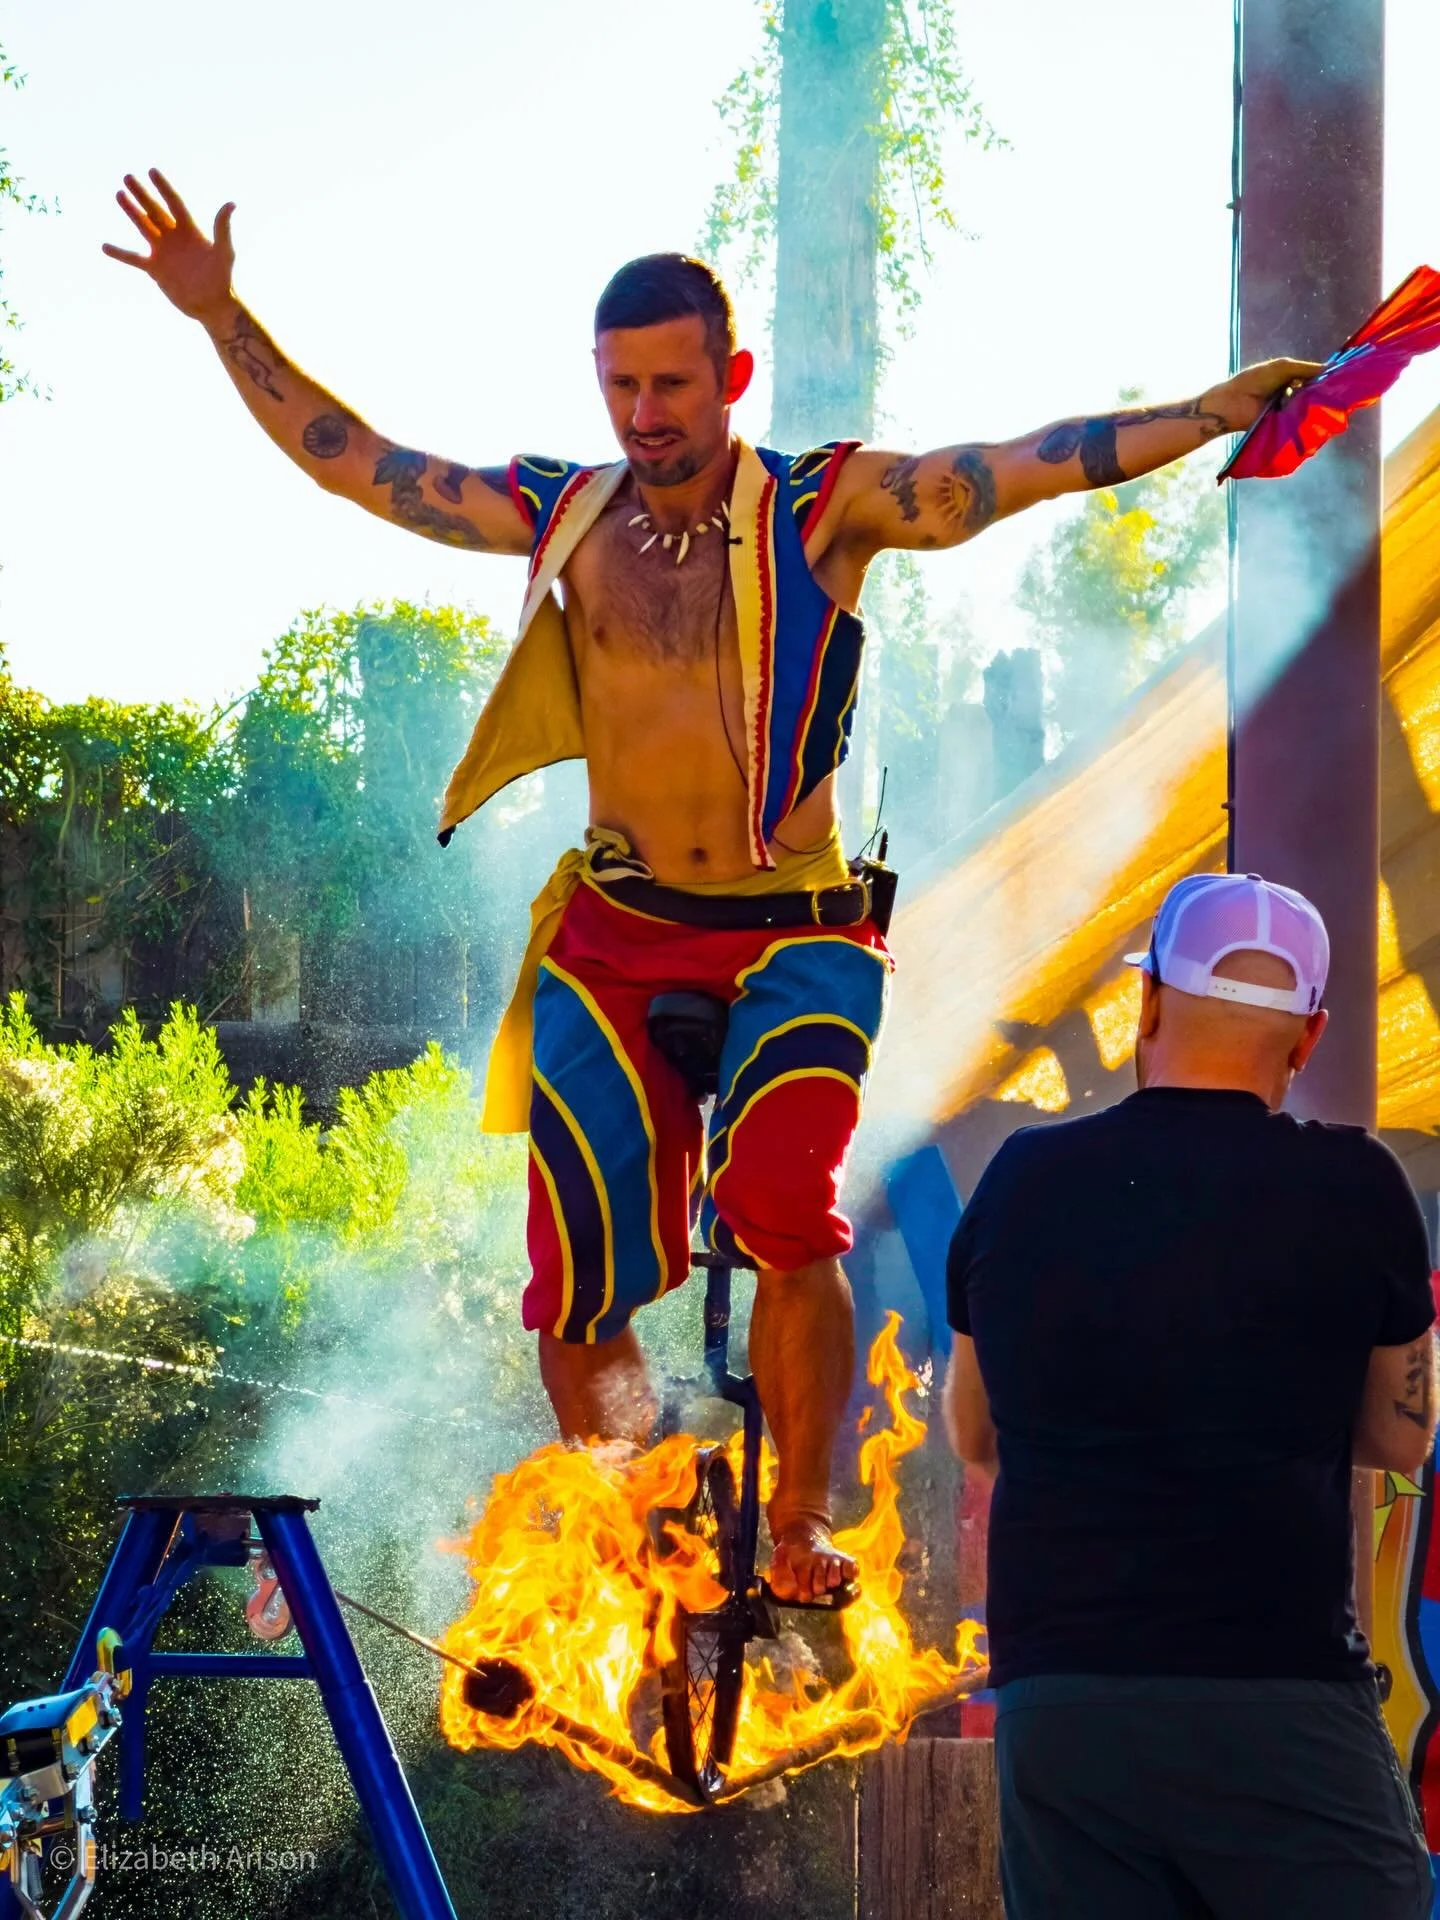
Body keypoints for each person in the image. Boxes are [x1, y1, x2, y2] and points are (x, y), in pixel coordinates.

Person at [105, 167, 1318, 1606]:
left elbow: (1021, 464)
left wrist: (1201, 416)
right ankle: (641, 1533)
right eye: (621, 386)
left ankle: (798, 1520)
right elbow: (357, 461)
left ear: (730, 377)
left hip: (792, 935)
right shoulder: (565, 516)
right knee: (569, 1297)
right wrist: (218, 313)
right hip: (616, 937)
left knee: (781, 1204)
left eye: (672, 383)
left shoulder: (826, 508)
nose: (645, 414)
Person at [945, 872, 1438, 1919]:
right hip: (1277, 1694)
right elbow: (1403, 1436)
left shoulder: (1021, 1179)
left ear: (1151, 1004)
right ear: (1308, 1038)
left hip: (1062, 1703)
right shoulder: (1359, 1186)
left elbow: (977, 1431)